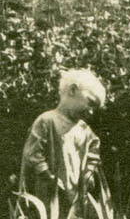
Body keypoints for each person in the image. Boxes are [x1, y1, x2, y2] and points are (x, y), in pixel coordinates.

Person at [19, 68, 107, 211]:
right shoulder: (47, 121)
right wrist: (48, 176)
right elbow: (33, 154)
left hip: (73, 194)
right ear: (72, 90)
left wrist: (89, 173)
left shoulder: (84, 129)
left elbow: (93, 151)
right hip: (47, 191)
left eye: (95, 109)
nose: (91, 111)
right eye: (90, 102)